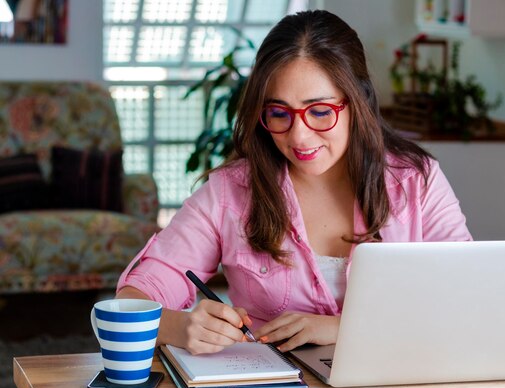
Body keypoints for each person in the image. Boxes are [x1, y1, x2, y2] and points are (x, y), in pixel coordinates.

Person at [116, 9, 472, 355]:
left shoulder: (417, 182)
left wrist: (339, 326)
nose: (299, 136)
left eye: (320, 112)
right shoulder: (230, 193)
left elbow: (466, 298)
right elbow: (129, 304)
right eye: (278, 113)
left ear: (358, 101)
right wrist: (178, 327)